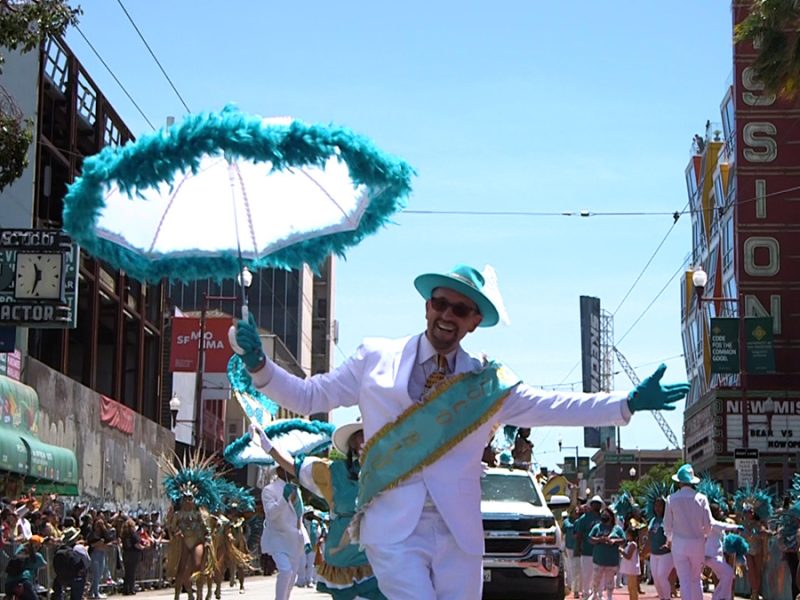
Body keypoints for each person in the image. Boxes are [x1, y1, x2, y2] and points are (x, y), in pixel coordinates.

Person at [235, 263, 690, 600]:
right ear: (427, 306)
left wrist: (626, 402)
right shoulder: (374, 359)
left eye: (462, 308)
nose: (448, 314)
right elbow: (309, 396)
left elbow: (552, 405)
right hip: (393, 532)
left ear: (475, 321)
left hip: (459, 535)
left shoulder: (485, 383)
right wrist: (261, 366)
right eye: (441, 303)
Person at [252, 421, 387, 600]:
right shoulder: (334, 472)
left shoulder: (390, 469)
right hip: (344, 554)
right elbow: (295, 466)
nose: (364, 441)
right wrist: (269, 447)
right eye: (359, 437)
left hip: (380, 552)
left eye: (369, 434)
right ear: (352, 444)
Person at [663, 464, 712, 600]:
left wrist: (670, 540)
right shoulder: (702, 498)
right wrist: (705, 536)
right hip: (697, 543)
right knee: (696, 579)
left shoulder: (671, 499)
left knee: (684, 580)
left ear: (679, 482)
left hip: (679, 543)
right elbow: (708, 524)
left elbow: (667, 525)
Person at [260, 466, 306, 600]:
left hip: (295, 541)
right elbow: (271, 514)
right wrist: (284, 499)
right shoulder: (269, 490)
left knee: (292, 577)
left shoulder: (297, 491)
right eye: (289, 467)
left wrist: (306, 540)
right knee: (286, 571)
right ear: (280, 470)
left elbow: (299, 519)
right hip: (278, 539)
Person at [703, 501, 739, 600]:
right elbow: (725, 526)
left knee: (725, 576)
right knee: (728, 573)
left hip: (717, 555)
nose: (721, 512)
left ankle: (722, 597)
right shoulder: (712, 523)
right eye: (719, 511)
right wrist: (737, 527)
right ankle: (718, 597)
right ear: (714, 513)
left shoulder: (711, 524)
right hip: (711, 556)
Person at [588, 507, 624, 600]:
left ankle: (609, 596)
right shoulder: (597, 527)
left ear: (611, 517)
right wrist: (600, 539)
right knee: (596, 579)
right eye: (603, 515)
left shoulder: (617, 529)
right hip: (599, 559)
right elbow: (590, 538)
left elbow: (623, 540)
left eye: (606, 515)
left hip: (611, 560)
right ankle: (594, 594)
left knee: (610, 580)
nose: (604, 517)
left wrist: (614, 541)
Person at [575, 497, 603, 600]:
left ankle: (599, 595)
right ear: (591, 505)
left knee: (599, 575)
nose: (597, 505)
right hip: (587, 551)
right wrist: (577, 548)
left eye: (598, 503)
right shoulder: (584, 518)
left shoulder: (603, 518)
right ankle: (586, 594)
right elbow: (579, 534)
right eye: (594, 503)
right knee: (587, 575)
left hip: (600, 552)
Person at [5, 535, 47, 600]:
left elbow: (17, 555)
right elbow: (45, 566)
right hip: (24, 583)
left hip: (8, 584)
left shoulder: (20, 550)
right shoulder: (38, 557)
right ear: (37, 546)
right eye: (40, 544)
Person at [647, 496, 673, 600]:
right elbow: (649, 537)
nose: (657, 508)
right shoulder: (653, 520)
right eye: (656, 505)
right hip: (654, 554)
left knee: (662, 576)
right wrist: (644, 550)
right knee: (656, 579)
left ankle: (667, 598)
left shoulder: (668, 519)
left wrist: (668, 543)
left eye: (660, 505)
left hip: (666, 554)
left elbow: (671, 534)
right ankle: (662, 597)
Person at [741, 504, 769, 600]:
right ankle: (754, 592)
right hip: (748, 551)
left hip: (758, 550)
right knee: (751, 571)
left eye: (750, 512)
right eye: (746, 512)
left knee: (757, 571)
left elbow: (764, 538)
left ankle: (756, 592)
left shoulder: (760, 524)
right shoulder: (743, 524)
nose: (748, 514)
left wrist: (765, 553)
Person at [120, 517, 144, 595]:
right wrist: (143, 548)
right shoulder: (133, 534)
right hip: (133, 554)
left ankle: (125, 588)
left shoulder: (124, 534)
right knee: (132, 572)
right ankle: (131, 588)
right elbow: (136, 544)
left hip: (126, 553)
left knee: (127, 572)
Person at [620, 527, 640, 600]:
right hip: (630, 568)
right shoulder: (629, 544)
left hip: (632, 568)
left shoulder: (633, 544)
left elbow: (628, 556)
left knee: (633, 588)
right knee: (630, 587)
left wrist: (621, 550)